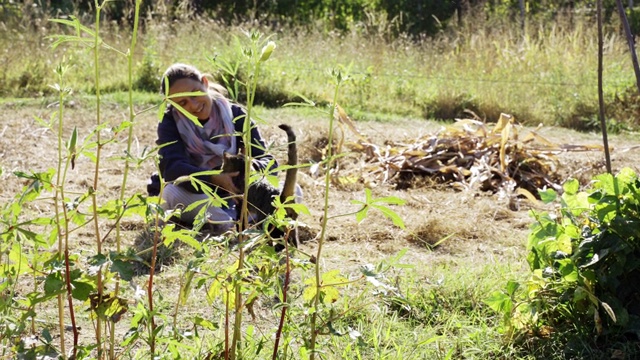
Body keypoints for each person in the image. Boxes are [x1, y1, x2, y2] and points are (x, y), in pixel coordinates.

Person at [151, 63, 276, 233]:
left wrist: (250, 169)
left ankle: (233, 220)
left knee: (290, 191)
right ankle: (231, 225)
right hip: (195, 193)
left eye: (195, 94)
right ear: (172, 104)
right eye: (182, 102)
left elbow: (267, 161)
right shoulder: (170, 123)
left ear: (205, 82)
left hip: (234, 195)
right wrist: (214, 179)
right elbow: (172, 168)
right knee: (172, 193)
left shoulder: (236, 115)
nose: (193, 105)